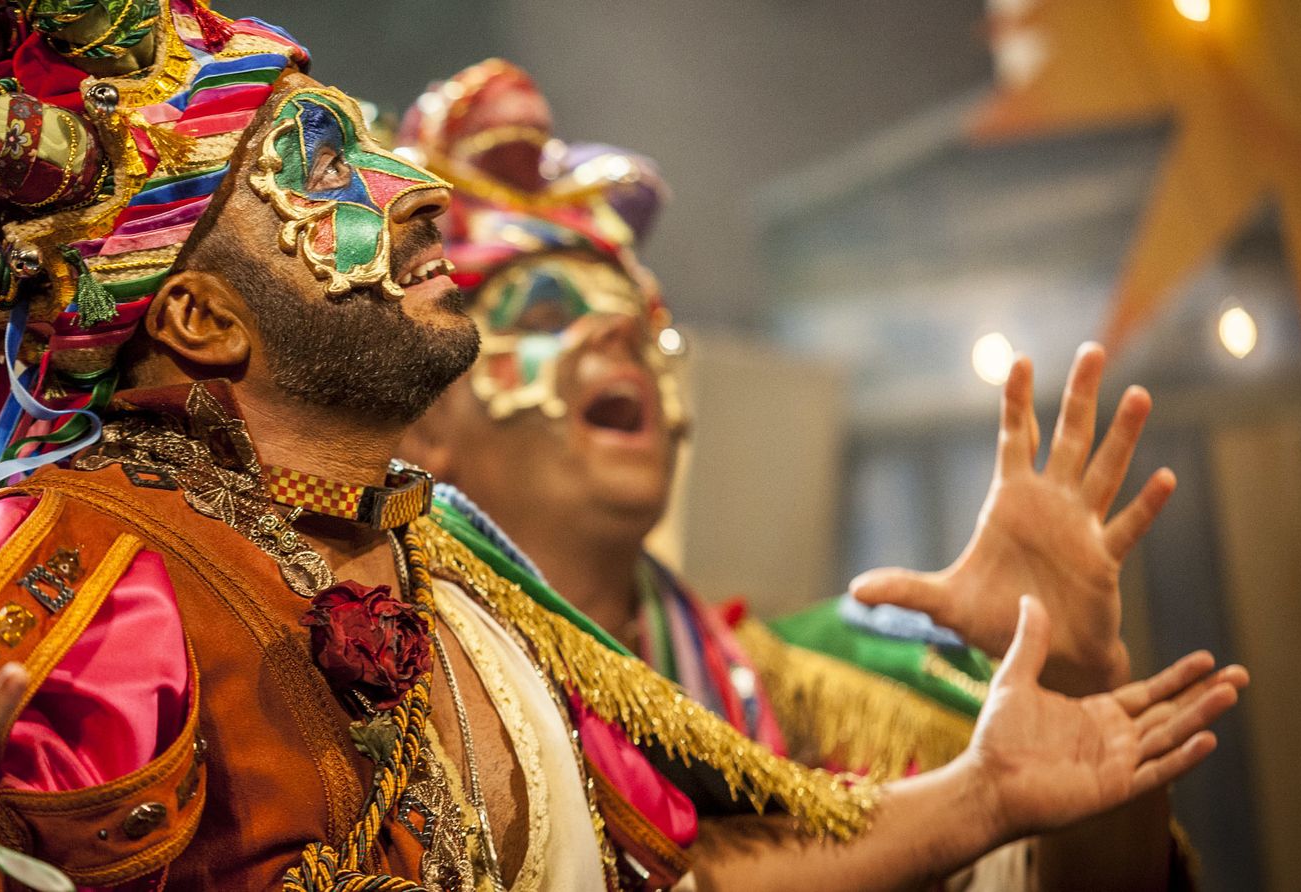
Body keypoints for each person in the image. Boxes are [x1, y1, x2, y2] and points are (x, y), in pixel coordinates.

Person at [0, 7, 1242, 891]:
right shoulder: (82, 559)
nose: (412, 184)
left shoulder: (454, 558)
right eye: (323, 158)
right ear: (195, 318)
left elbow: (684, 873)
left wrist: (984, 792)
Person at [395, 59, 1215, 888]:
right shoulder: (394, 690)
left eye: (637, 323)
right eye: (545, 314)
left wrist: (1074, 681)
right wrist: (973, 800)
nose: (616, 340)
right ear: (427, 426)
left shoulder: (839, 686)